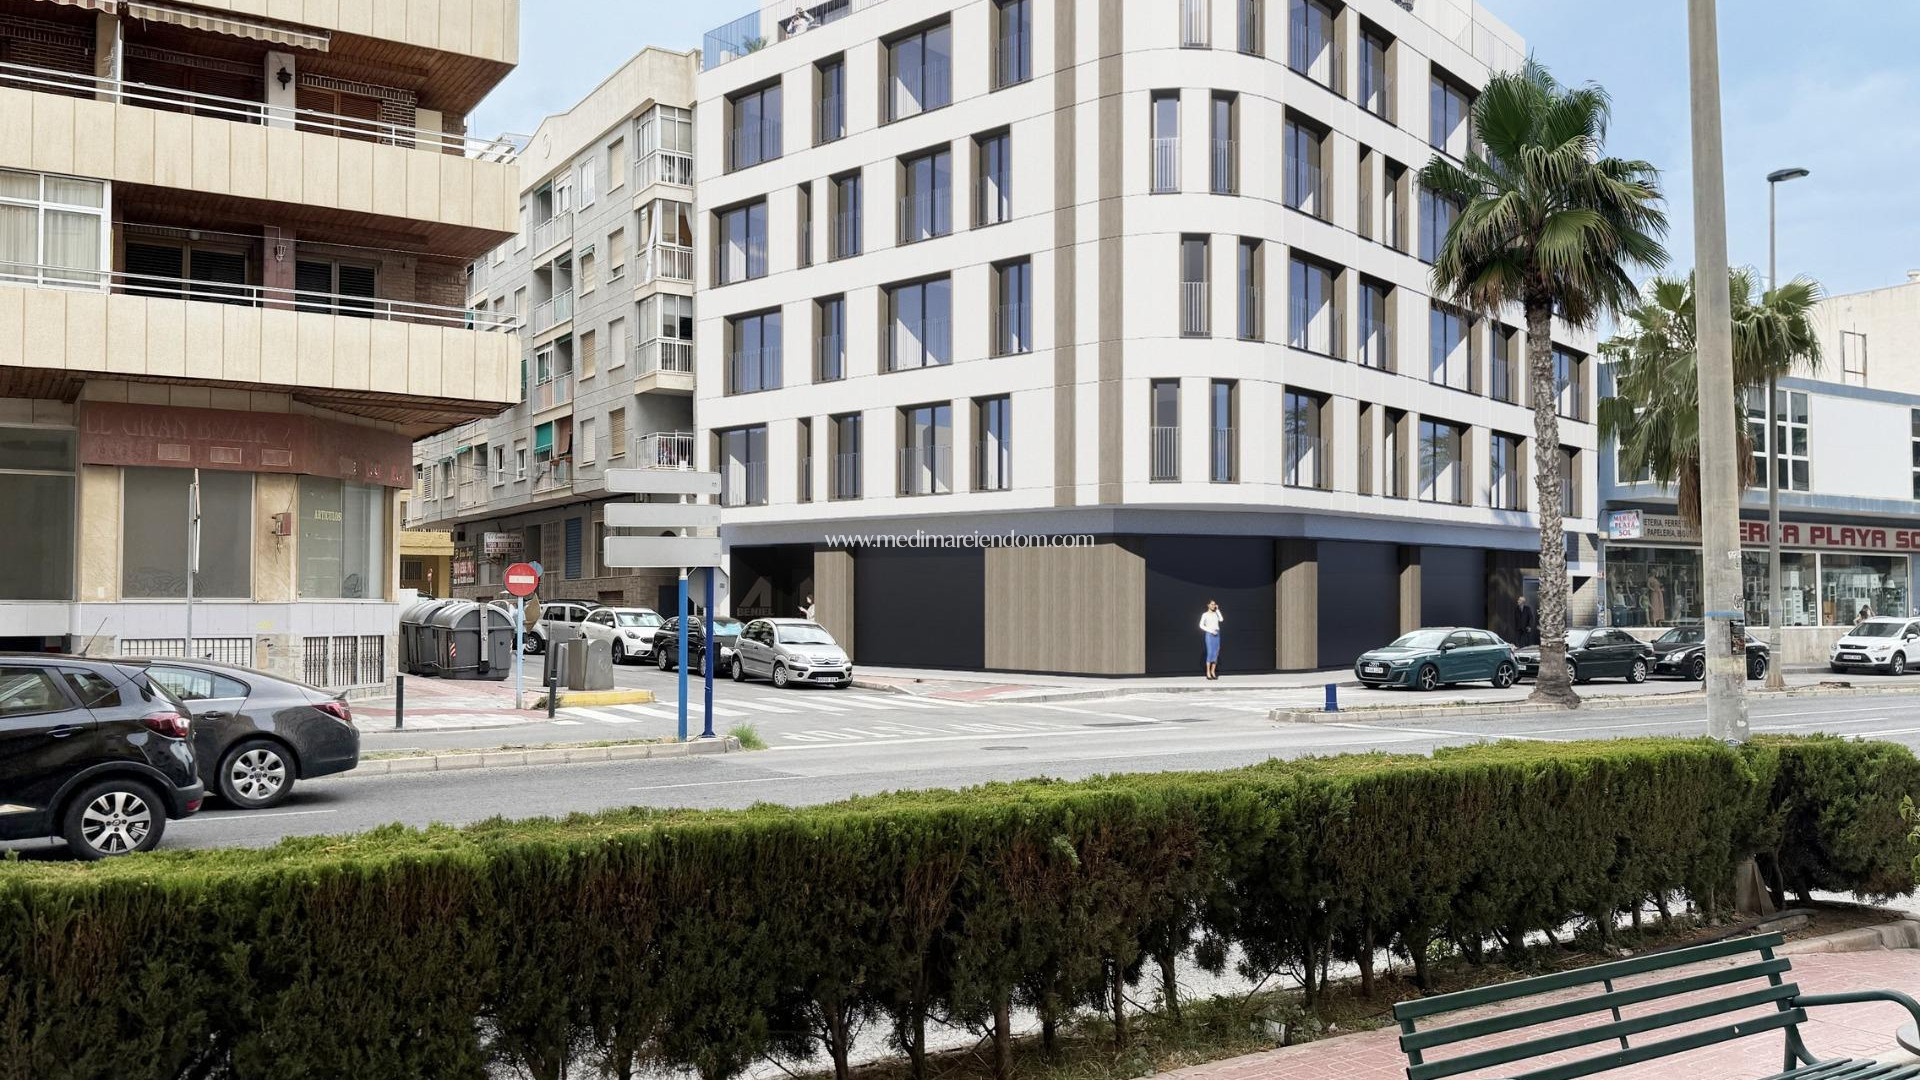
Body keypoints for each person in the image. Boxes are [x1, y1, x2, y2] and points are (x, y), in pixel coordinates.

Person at [1198, 600, 1224, 680]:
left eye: (1214, 604)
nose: (1213, 606)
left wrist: (1218, 610)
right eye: (1212, 604)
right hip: (1210, 634)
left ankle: (1213, 671)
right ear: (1208, 605)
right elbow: (1201, 625)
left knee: (1216, 653)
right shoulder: (1205, 614)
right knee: (1210, 653)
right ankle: (1208, 672)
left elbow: (1221, 619)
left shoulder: (1216, 613)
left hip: (1217, 634)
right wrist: (1211, 631)